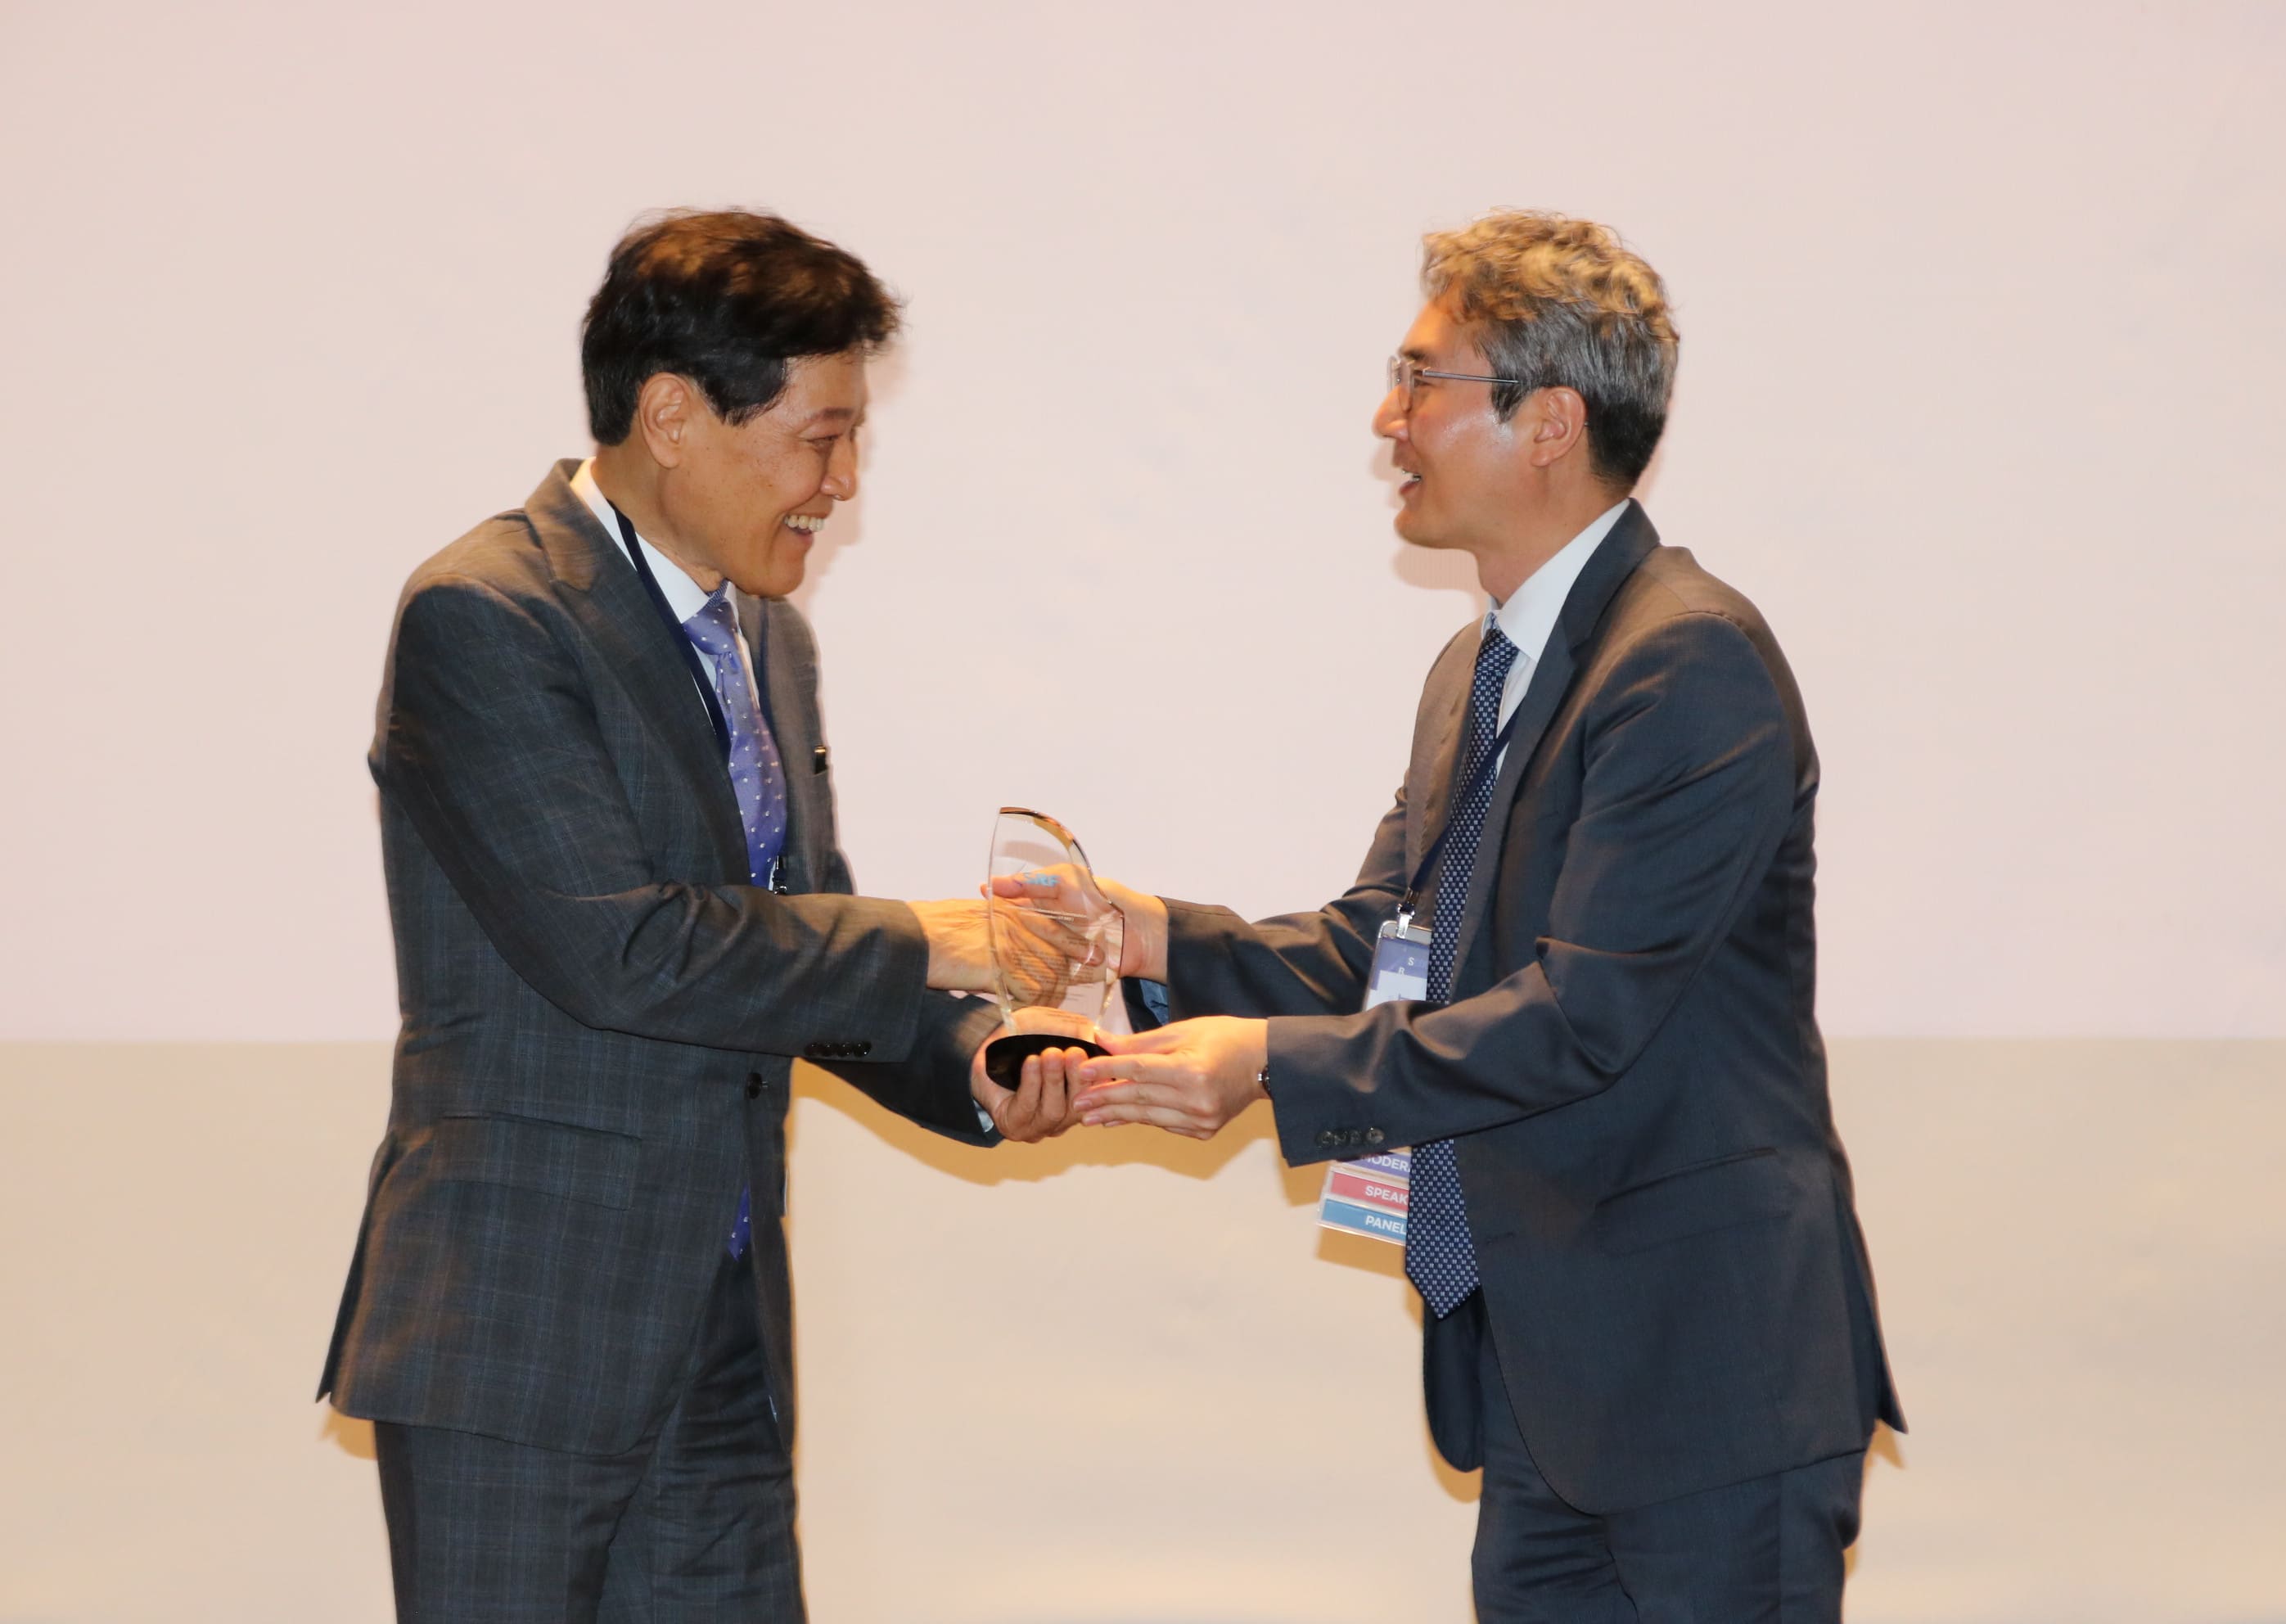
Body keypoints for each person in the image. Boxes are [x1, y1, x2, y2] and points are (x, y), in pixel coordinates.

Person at [1065, 210, 1904, 1621]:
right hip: (1544, 1374)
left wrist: (1264, 1068)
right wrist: (1155, 937)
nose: (1385, 418)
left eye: (1420, 378)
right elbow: (1388, 948)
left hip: (1703, 1383)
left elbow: (1583, 1019)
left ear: (1550, 423)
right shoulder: (1480, 667)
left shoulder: (1685, 661)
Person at [318, 208, 1086, 1622]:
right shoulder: (489, 615)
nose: (841, 483)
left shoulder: (768, 635)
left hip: (723, 1335)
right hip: (521, 1342)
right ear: (672, 416)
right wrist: (934, 935)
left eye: (854, 440)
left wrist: (974, 1061)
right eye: (819, 438)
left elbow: (801, 944)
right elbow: (625, 952)